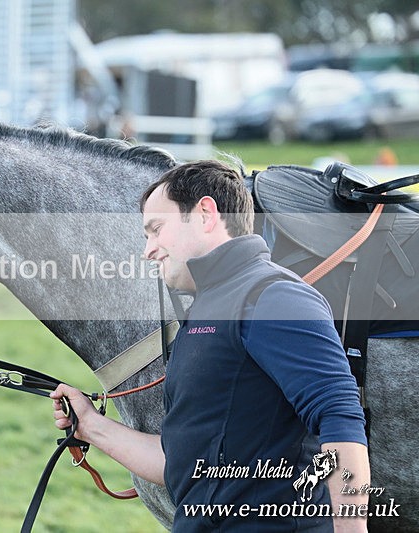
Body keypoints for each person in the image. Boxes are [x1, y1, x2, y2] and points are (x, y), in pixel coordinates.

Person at [52, 160, 369, 532]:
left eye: (157, 230)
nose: (148, 250)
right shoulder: (205, 309)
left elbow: (339, 416)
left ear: (205, 213)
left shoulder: (274, 296)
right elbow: (182, 460)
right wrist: (91, 426)